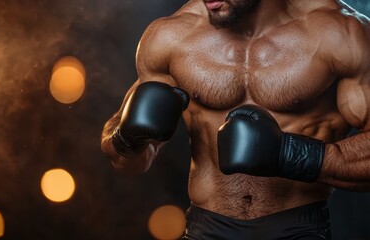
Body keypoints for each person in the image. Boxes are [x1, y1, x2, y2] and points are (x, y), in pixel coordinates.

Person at [100, 0, 370, 239]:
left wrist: (289, 155)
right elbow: (130, 163)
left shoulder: (342, 34)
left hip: (298, 229)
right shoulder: (171, 36)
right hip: (205, 229)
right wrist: (126, 140)